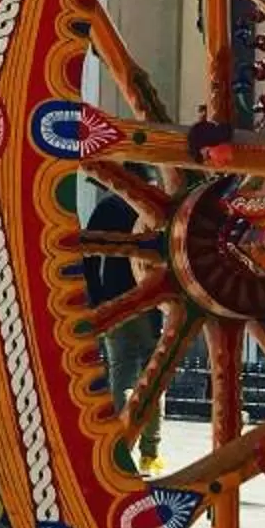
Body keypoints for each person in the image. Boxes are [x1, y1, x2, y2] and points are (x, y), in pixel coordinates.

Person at [84, 185, 163, 475]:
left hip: (116, 299)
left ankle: (120, 447)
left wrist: (97, 296)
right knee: (154, 374)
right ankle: (150, 454)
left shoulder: (108, 207)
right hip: (154, 297)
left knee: (122, 372)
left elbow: (88, 255)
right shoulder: (157, 208)